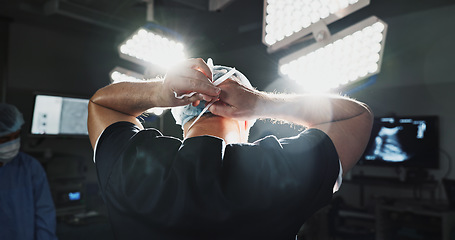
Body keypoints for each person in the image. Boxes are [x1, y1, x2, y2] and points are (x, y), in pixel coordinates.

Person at [88, 58, 373, 240]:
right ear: (246, 119)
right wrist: (262, 103)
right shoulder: (280, 174)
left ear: (181, 117)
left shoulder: (134, 166)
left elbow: (102, 104)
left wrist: (160, 92)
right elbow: (356, 116)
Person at [0, 103, 58, 240]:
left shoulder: (30, 167)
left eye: (16, 136)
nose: (12, 144)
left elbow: (45, 216)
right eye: (5, 139)